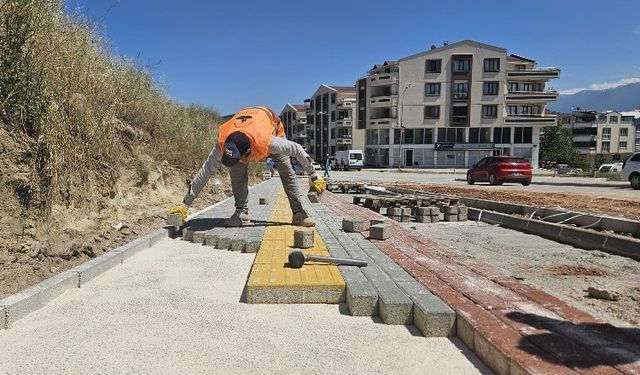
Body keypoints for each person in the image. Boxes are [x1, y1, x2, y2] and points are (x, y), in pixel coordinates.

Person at [168, 106, 325, 227]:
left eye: (240, 158)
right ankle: (241, 214)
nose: (236, 162)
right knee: (237, 171)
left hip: (272, 128)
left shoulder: (268, 141)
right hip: (244, 127)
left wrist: (313, 175)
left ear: (249, 152)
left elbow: (296, 148)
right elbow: (205, 172)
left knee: (285, 169)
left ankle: (298, 213)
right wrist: (184, 204)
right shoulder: (223, 142)